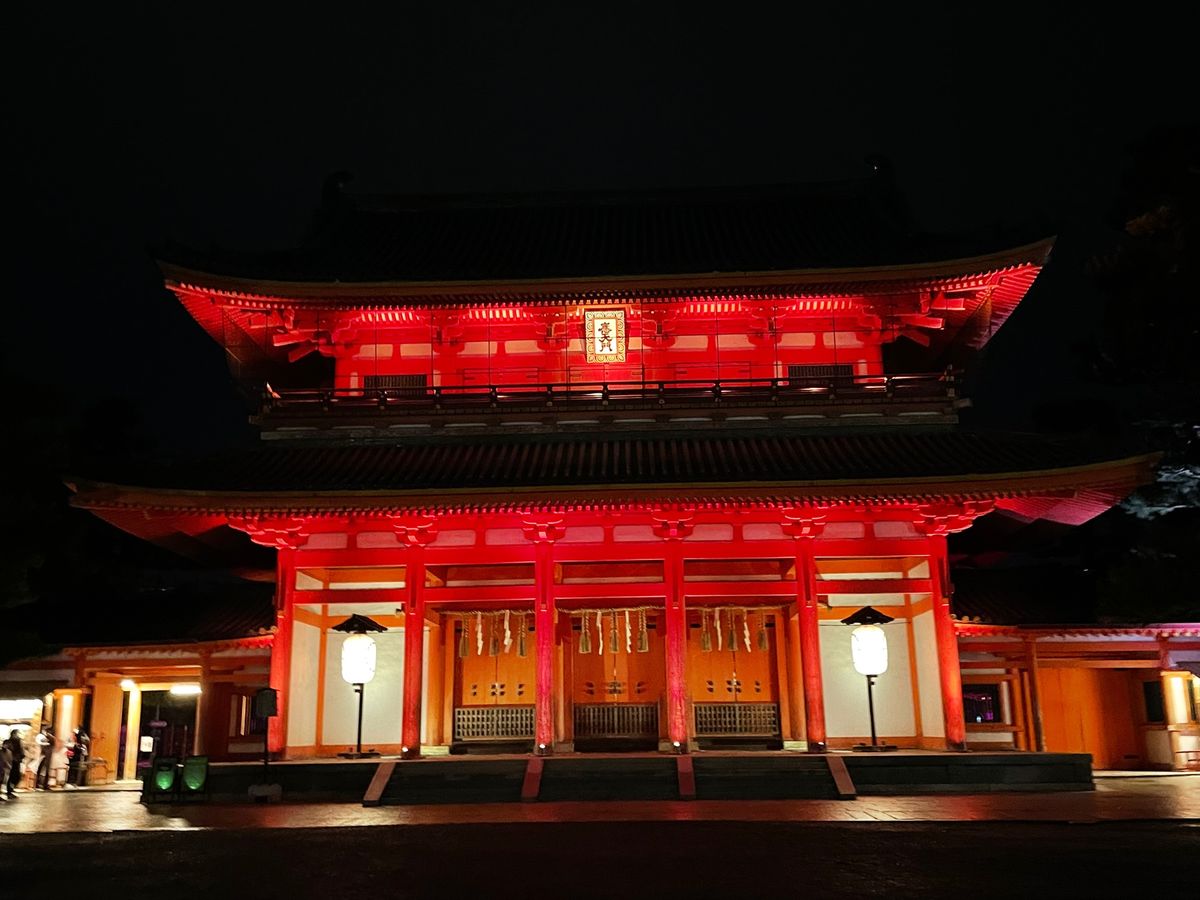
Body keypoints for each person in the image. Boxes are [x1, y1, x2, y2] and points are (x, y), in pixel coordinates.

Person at [4, 728, 24, 798]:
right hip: (13, 760)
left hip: (14, 760)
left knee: (15, 776)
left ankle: (10, 789)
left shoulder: (15, 741)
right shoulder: (12, 741)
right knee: (14, 776)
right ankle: (9, 791)